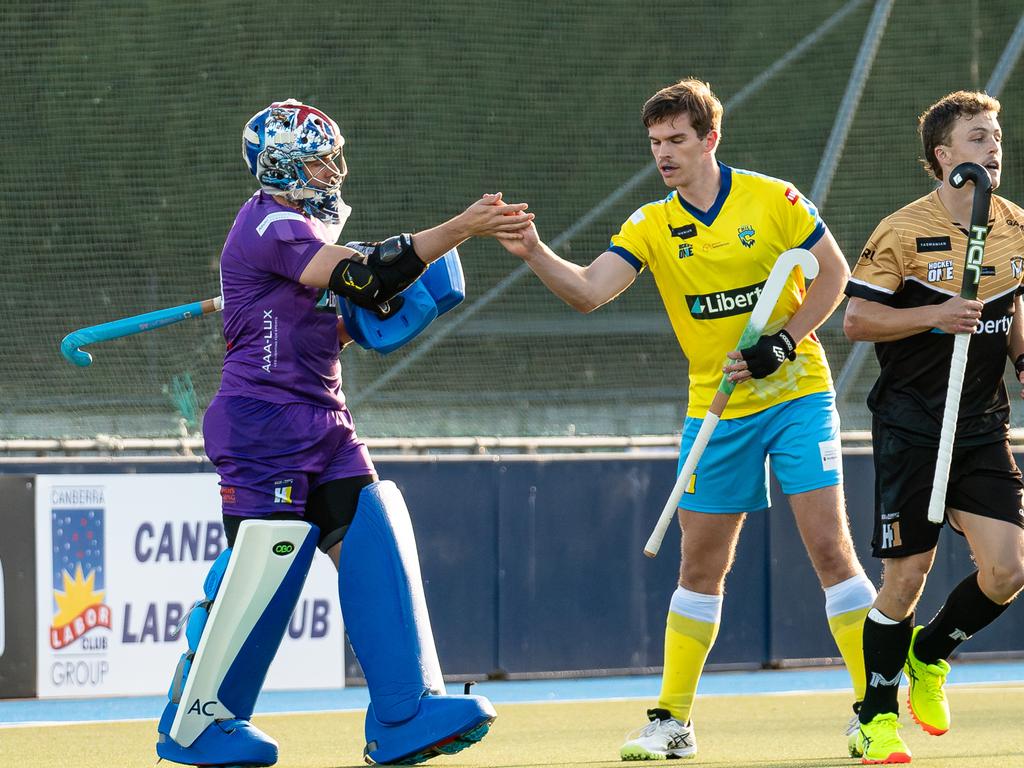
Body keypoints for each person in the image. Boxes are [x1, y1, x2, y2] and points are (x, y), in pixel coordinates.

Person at [499, 78, 877, 761]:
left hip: (797, 397)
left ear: (710, 139)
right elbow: (588, 292)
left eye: (677, 140)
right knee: (700, 565)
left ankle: (873, 708)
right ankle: (672, 722)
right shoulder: (650, 225)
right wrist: (533, 252)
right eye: (655, 144)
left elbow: (833, 276)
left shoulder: (774, 199)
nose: (665, 155)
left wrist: (782, 343)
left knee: (829, 549)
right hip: (715, 410)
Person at [154, 99, 533, 768]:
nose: (336, 169)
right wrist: (461, 229)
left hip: (323, 418)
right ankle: (199, 720)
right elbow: (371, 275)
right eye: (322, 157)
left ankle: (404, 711)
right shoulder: (270, 224)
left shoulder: (300, 231)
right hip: (261, 423)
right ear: (284, 163)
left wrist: (381, 308)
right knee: (264, 569)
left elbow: (342, 321)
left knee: (374, 528)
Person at [844, 90, 1024, 764]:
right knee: (904, 581)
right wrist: (934, 315)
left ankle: (933, 650)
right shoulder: (900, 232)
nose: (993, 147)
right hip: (911, 426)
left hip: (981, 424)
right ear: (944, 157)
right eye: (978, 138)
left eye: (997, 136)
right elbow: (857, 322)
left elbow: (1013, 305)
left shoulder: (1015, 227)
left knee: (1008, 570)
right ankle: (875, 717)